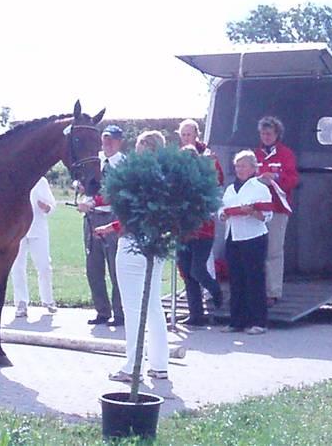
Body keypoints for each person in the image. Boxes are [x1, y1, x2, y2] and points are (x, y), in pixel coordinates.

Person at [95, 130, 169, 382]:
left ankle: (132, 365)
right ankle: (159, 364)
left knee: (133, 306)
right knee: (154, 305)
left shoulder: (138, 178)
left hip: (133, 243)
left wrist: (115, 226)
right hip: (156, 243)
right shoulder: (165, 177)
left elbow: (129, 216)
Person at [175, 120, 225, 326]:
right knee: (187, 272)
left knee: (197, 269)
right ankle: (196, 314)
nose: (186, 137)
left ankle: (215, 291)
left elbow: (218, 181)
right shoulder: (177, 158)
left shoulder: (208, 158)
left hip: (202, 229)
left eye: (190, 134)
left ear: (196, 134)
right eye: (183, 134)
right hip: (182, 229)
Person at [219, 150, 273, 334]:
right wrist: (223, 214)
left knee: (254, 279)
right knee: (236, 279)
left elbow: (266, 215)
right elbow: (222, 207)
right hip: (233, 236)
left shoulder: (260, 188)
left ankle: (258, 321)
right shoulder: (230, 188)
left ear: (252, 167)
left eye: (243, 166)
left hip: (253, 237)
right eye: (237, 166)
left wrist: (251, 211)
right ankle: (236, 321)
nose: (239, 169)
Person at [78, 124, 125, 326]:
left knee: (116, 267)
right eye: (105, 139)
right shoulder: (94, 161)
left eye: (112, 139)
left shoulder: (124, 164)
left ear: (119, 141)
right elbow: (83, 183)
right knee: (93, 267)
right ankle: (102, 310)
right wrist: (81, 192)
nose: (107, 143)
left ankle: (120, 312)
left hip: (113, 216)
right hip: (92, 217)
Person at [254, 116, 299, 307]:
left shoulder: (286, 154)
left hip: (278, 209)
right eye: (263, 133)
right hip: (257, 210)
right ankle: (256, 289)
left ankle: (272, 292)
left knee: (273, 250)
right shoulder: (255, 154)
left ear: (277, 134)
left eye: (269, 133)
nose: (265, 137)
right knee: (256, 250)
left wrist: (276, 177)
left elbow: (293, 180)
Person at [10, 176, 58, 318]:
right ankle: (21, 302)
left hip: (38, 229)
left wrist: (47, 207)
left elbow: (52, 205)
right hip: (17, 229)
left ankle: (48, 300)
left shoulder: (40, 181)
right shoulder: (13, 179)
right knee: (17, 266)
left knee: (44, 266)